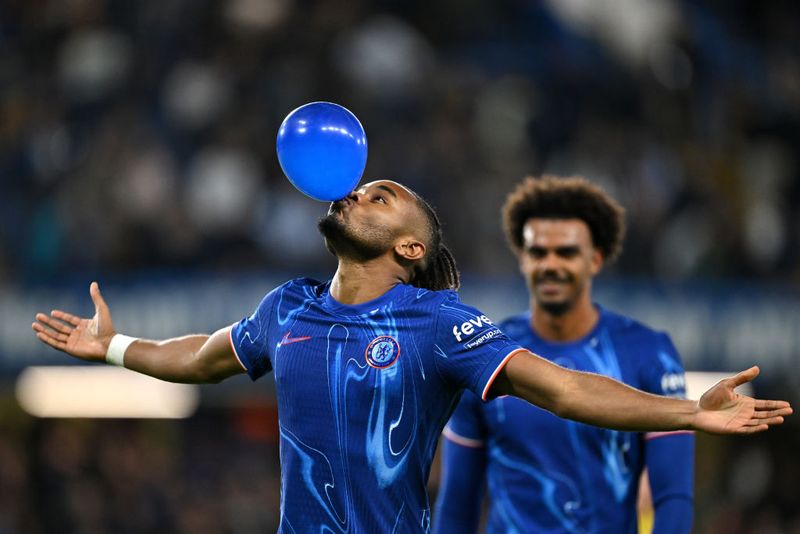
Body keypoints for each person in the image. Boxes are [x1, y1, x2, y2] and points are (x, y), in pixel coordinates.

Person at [32, 179, 790, 533]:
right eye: (359, 190)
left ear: (410, 247)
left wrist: (689, 411)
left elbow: (563, 388)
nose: (359, 192)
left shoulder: (438, 324)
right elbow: (199, 359)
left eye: (382, 194)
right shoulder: (286, 307)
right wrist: (117, 347)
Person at [433, 176, 697, 534]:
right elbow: (457, 506)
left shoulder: (649, 353)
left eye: (567, 252)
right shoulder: (484, 354)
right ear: (523, 260)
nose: (551, 264)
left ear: (596, 259)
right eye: (538, 252)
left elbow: (674, 499)